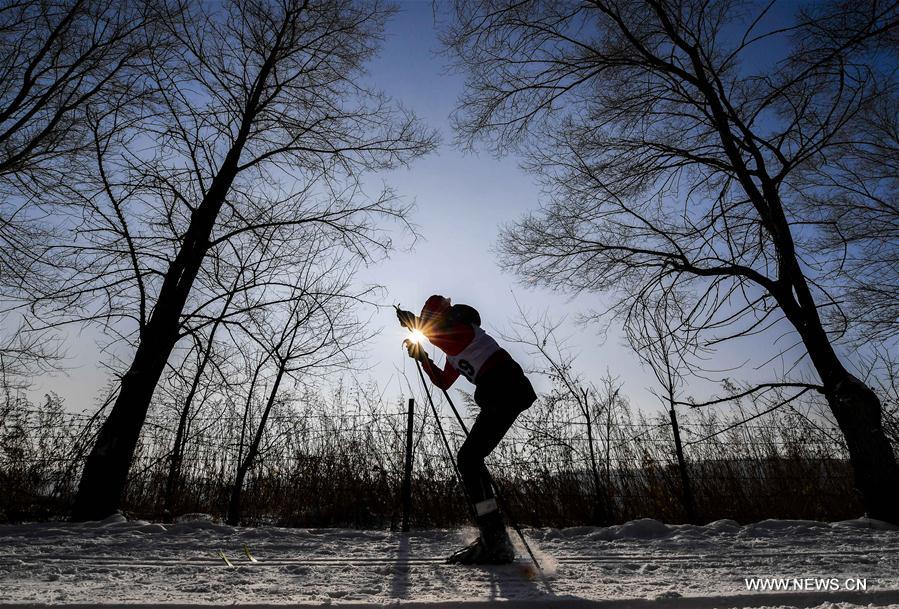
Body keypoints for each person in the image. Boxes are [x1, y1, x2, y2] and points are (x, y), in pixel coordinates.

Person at [396, 295, 537, 564]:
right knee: (471, 459)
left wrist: (414, 322)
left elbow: (437, 332)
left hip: (506, 390)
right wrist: (424, 359)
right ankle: (493, 534)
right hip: (503, 395)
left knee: (469, 459)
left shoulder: (466, 332)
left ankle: (494, 537)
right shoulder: (454, 349)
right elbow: (443, 381)